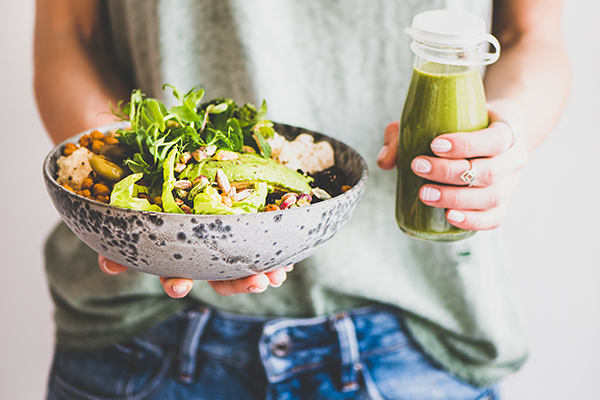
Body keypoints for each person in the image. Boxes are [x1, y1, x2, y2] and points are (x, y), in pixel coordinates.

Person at [34, 0, 570, 399]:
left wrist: (505, 133)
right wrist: (122, 207)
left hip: (417, 334)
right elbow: (66, 35)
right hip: (142, 335)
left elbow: (532, 35)